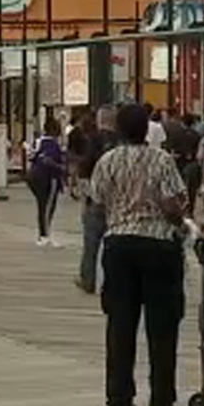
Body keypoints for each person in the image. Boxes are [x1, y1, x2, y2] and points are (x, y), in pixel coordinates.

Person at [88, 103, 188, 406]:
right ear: (147, 129)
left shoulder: (107, 161)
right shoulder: (162, 160)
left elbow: (97, 202)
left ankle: (118, 398)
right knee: (162, 326)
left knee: (120, 323)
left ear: (118, 129)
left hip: (119, 245)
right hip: (158, 246)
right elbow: (174, 204)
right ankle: (161, 399)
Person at [75, 105, 118, 294]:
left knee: (91, 242)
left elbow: (84, 169)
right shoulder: (121, 141)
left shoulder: (92, 139)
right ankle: (113, 280)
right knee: (114, 244)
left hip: (96, 199)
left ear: (99, 120)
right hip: (118, 201)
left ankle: (88, 279)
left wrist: (84, 198)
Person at [26, 118, 66, 247]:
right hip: (49, 178)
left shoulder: (38, 141)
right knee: (48, 207)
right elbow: (54, 162)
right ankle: (45, 235)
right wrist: (62, 169)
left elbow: (30, 156)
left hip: (34, 177)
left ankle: (43, 235)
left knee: (42, 205)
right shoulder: (54, 144)